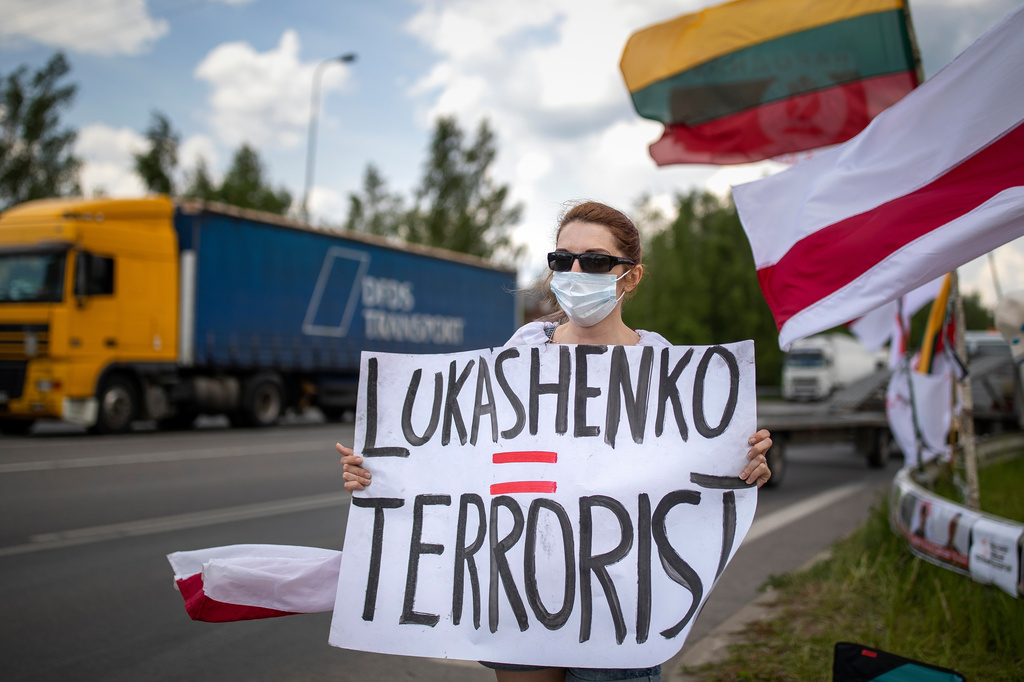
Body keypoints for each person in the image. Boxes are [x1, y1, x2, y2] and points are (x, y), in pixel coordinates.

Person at [338, 200, 773, 682]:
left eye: (596, 261)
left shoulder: (664, 365)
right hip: (523, 588)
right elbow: (469, 455)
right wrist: (381, 471)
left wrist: (742, 464)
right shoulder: (525, 348)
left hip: (618, 601)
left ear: (630, 277)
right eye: (562, 259)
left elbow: (690, 479)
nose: (576, 271)